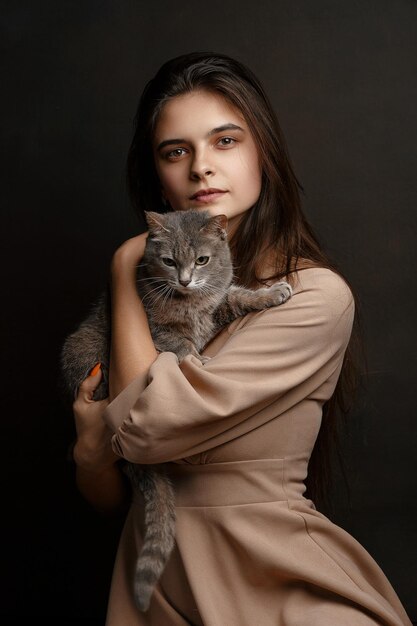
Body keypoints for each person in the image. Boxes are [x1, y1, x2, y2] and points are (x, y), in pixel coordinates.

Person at [72, 52, 412, 626]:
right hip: (155, 594)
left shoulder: (315, 297)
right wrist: (87, 453)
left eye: (225, 141)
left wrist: (126, 263)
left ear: (263, 153)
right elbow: (112, 495)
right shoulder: (165, 294)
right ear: (158, 172)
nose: (201, 167)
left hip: (277, 594)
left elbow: (145, 431)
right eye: (176, 151)